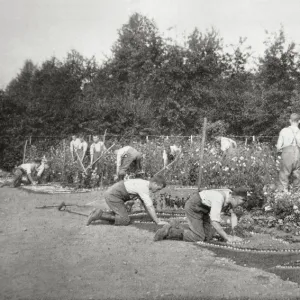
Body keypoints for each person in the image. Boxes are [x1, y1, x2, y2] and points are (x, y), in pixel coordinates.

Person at [154, 187, 248, 243]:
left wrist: (234, 234)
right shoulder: (219, 198)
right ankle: (170, 231)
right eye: (242, 200)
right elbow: (214, 222)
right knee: (198, 237)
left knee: (207, 237)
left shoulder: (229, 195)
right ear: (234, 197)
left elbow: (233, 215)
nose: (243, 203)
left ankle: (176, 224)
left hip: (204, 210)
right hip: (194, 207)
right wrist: (227, 237)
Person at [86, 175, 168, 226]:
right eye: (158, 188)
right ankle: (99, 215)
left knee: (121, 213)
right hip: (113, 195)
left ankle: (97, 212)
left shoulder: (144, 183)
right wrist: (157, 221)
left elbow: (146, 205)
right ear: (155, 184)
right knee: (125, 220)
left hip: (115, 193)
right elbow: (149, 206)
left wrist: (153, 218)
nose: (158, 190)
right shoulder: (144, 188)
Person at [276, 113, 300, 191]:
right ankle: (296, 194)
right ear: (299, 121)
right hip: (298, 154)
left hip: (286, 153)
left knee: (284, 174)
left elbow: (279, 147)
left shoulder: (284, 131)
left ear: (290, 120)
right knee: (297, 174)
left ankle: (284, 193)